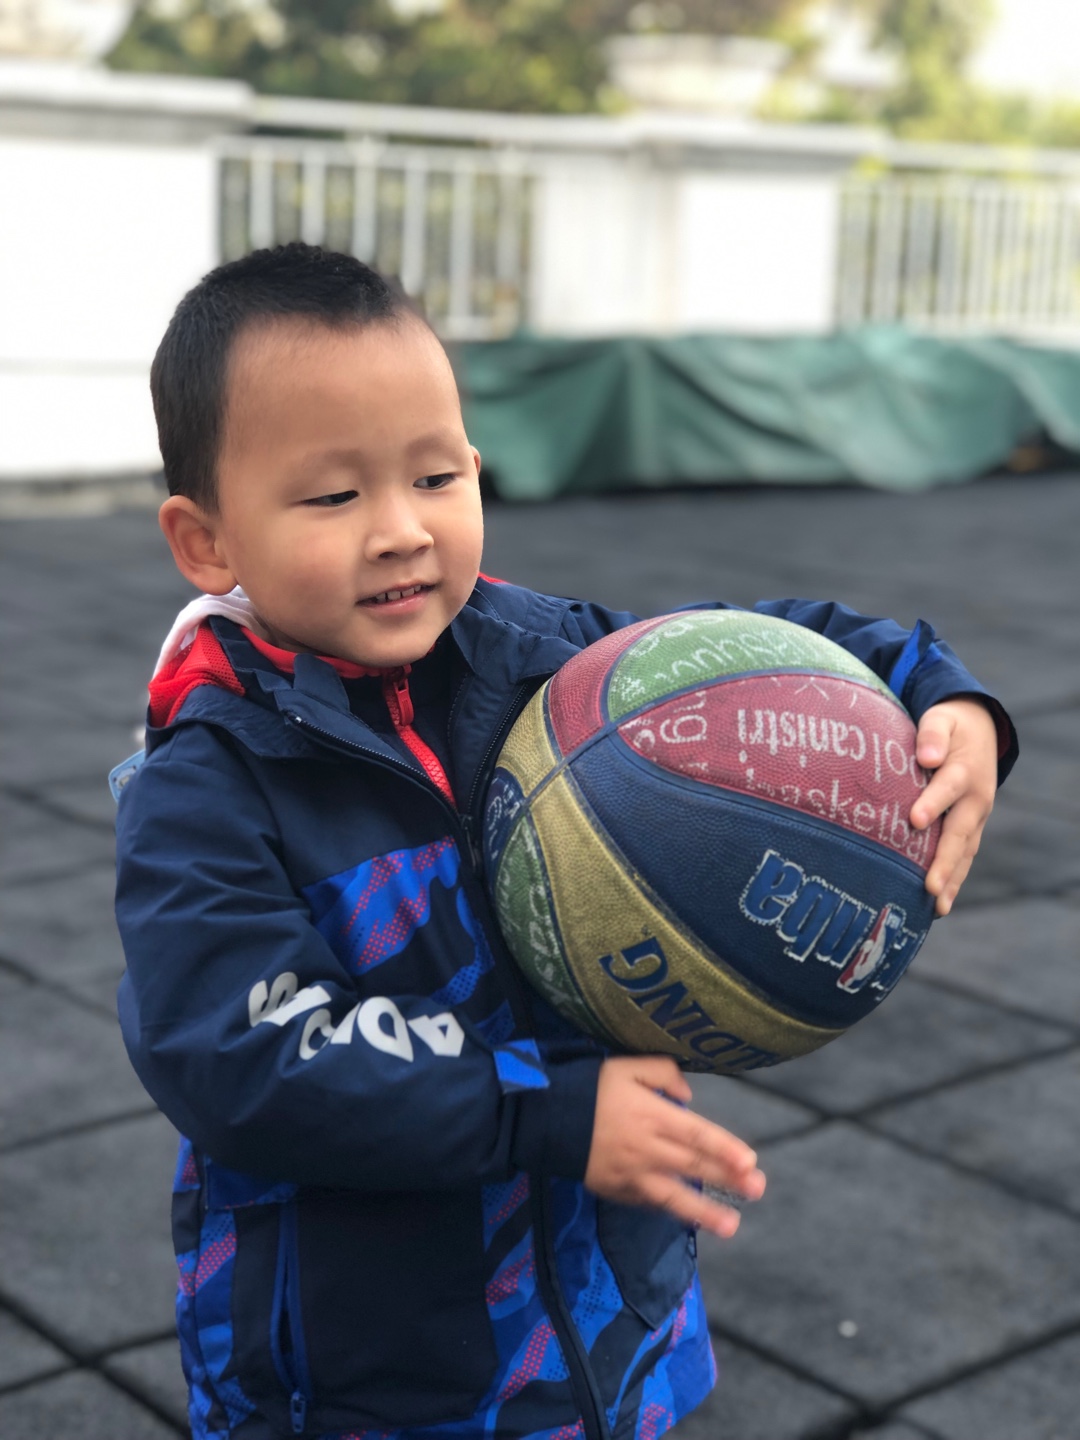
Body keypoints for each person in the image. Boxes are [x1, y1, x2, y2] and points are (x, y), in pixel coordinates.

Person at [114, 243, 1015, 1440]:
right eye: (333, 497)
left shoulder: (543, 662)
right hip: (367, 1377)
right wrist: (543, 1111)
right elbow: (236, 1054)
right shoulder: (208, 783)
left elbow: (754, 651)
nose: (402, 530)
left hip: (605, 1323)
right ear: (207, 542)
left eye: (436, 476)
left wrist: (938, 693)